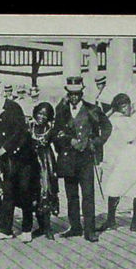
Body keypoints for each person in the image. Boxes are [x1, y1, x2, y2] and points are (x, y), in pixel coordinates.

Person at [0, 71, 39, 242]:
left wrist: (4, 149)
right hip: (5, 161)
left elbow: (21, 132)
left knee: (25, 192)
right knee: (8, 192)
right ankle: (6, 229)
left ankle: (27, 229)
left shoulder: (12, 106)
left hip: (22, 157)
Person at [52, 76, 112, 242]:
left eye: (77, 93)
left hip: (86, 158)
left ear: (81, 93)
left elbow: (107, 126)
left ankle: (90, 230)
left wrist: (96, 142)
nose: (74, 97)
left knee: (88, 194)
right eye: (71, 94)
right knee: (71, 195)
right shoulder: (61, 111)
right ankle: (75, 227)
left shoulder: (92, 109)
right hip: (68, 159)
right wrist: (67, 140)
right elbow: (56, 132)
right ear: (67, 94)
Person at [97, 93, 136, 232]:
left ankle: (134, 221)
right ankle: (111, 219)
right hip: (126, 152)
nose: (124, 109)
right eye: (121, 107)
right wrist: (112, 111)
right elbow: (102, 123)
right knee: (115, 186)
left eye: (125, 105)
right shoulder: (116, 120)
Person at [30, 102, 60, 240]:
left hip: (46, 163)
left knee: (46, 192)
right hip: (31, 162)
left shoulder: (51, 129)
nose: (41, 117)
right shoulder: (30, 126)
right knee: (34, 193)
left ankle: (47, 227)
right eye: (40, 113)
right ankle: (40, 226)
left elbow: (58, 146)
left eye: (45, 115)